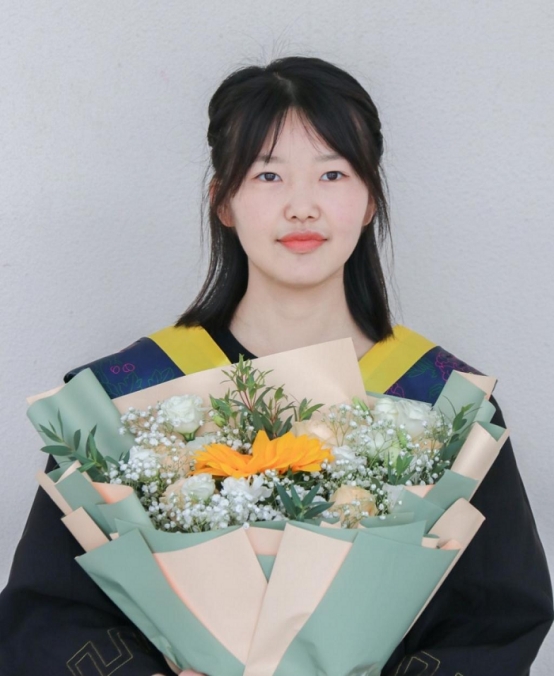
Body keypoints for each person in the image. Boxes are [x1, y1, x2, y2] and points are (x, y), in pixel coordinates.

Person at [0, 56, 552, 676]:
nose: (302, 207)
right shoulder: (127, 399)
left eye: (332, 174)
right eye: (268, 175)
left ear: (370, 200)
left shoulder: (443, 404)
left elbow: (495, 620)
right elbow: (47, 616)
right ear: (223, 201)